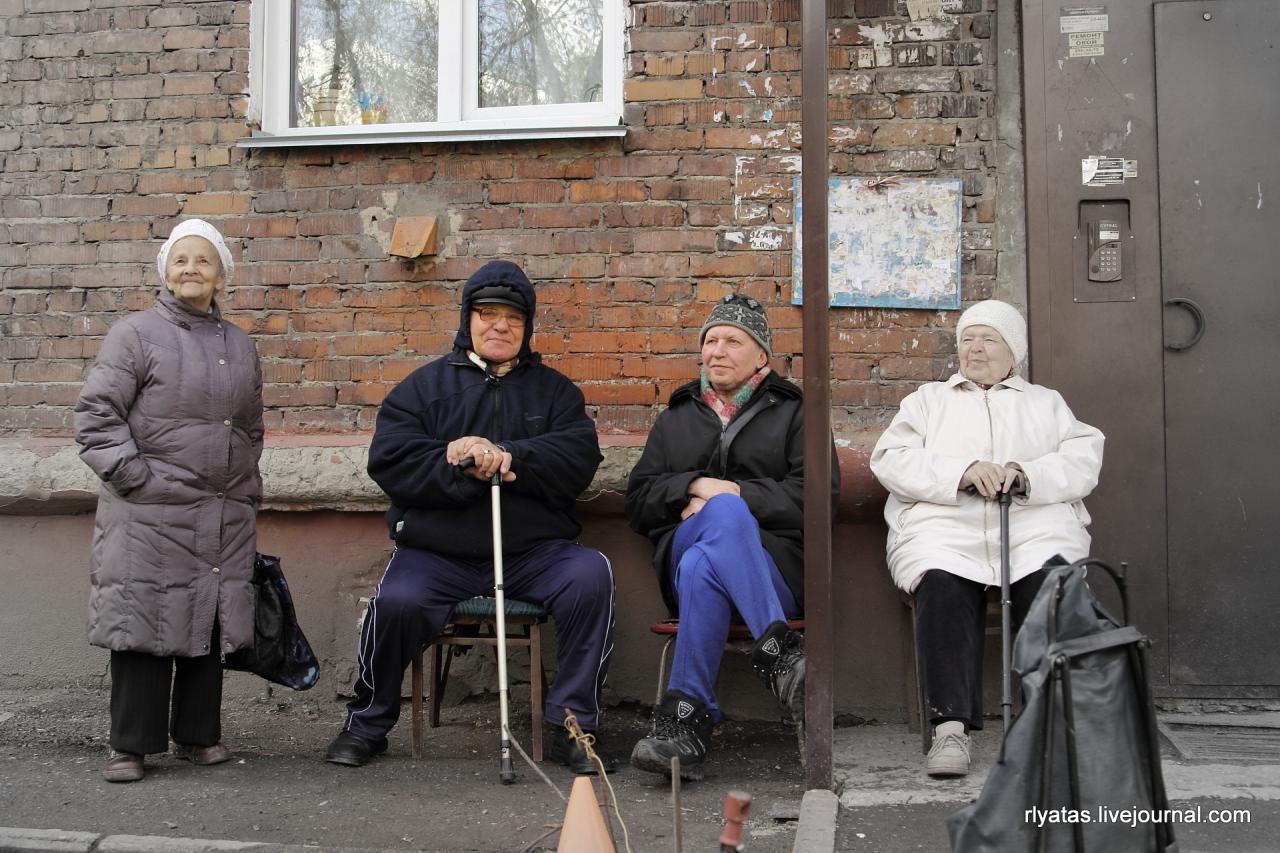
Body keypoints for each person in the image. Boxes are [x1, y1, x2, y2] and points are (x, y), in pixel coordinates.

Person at [324, 260, 617, 773]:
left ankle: (574, 725)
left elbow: (578, 459)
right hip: (439, 552)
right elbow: (390, 462)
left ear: (527, 328)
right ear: (469, 319)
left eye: (513, 318)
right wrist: (458, 465)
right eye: (488, 313)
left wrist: (510, 456)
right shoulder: (423, 388)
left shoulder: (555, 393)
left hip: (532, 552)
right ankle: (367, 723)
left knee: (591, 575)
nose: (500, 325)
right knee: (396, 601)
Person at [870, 299, 1104, 778]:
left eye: (988, 339)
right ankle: (949, 730)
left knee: (1051, 586)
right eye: (967, 339)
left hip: (1030, 528)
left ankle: (1049, 725)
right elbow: (891, 459)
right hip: (946, 528)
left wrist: (1025, 473)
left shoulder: (1046, 403)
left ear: (1012, 351)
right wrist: (962, 471)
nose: (975, 349)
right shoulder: (927, 401)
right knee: (941, 584)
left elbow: (1083, 460)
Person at [74, 219, 264, 783]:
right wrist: (139, 481)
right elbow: (95, 418)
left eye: (203, 260)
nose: (191, 269)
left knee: (206, 619)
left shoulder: (239, 344)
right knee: (143, 620)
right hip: (147, 510)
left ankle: (197, 736)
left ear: (221, 274)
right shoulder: (134, 335)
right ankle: (130, 747)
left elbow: (250, 428)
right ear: (164, 271)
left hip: (220, 510)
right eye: (180, 259)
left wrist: (245, 487)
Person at [624, 294, 839, 779]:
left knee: (706, 564)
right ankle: (780, 655)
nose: (717, 350)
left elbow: (819, 498)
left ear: (762, 355)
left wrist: (735, 496)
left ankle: (684, 728)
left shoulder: (797, 413)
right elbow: (638, 501)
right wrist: (698, 486)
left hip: (774, 568)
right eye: (711, 341)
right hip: (679, 550)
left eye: (733, 341)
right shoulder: (677, 415)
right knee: (710, 530)